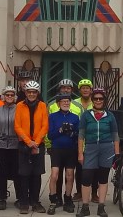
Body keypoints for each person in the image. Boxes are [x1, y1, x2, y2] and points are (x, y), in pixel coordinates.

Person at [77, 87, 119, 217]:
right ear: (92, 100)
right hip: (90, 147)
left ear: (104, 100)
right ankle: (85, 207)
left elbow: (115, 135)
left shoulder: (110, 116)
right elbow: (81, 135)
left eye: (101, 98)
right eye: (95, 98)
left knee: (103, 178)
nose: (98, 101)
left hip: (106, 148)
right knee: (86, 177)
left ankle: (101, 207)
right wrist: (80, 153)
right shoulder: (86, 115)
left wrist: (117, 154)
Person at [14, 80, 49, 214]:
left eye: (34, 92)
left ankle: (35, 201)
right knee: (24, 174)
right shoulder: (19, 106)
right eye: (29, 92)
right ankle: (24, 202)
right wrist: (28, 142)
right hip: (24, 143)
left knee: (36, 174)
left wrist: (37, 141)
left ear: (37, 93)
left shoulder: (42, 106)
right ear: (26, 93)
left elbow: (45, 125)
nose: (32, 94)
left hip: (38, 144)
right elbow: (17, 126)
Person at [47, 78, 82, 210]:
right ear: (58, 103)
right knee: (54, 175)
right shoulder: (53, 116)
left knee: (70, 175)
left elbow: (78, 135)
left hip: (70, 149)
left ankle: (67, 198)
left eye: (68, 101)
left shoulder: (75, 117)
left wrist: (71, 132)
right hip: (57, 149)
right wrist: (60, 130)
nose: (66, 103)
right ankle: (53, 198)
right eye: (63, 101)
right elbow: (50, 135)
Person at [73, 78, 94, 202]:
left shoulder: (96, 102)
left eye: (87, 88)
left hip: (92, 140)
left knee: (94, 168)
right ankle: (79, 192)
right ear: (79, 90)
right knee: (79, 169)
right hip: (78, 140)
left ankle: (95, 193)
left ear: (91, 90)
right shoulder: (74, 103)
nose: (85, 90)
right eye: (83, 88)